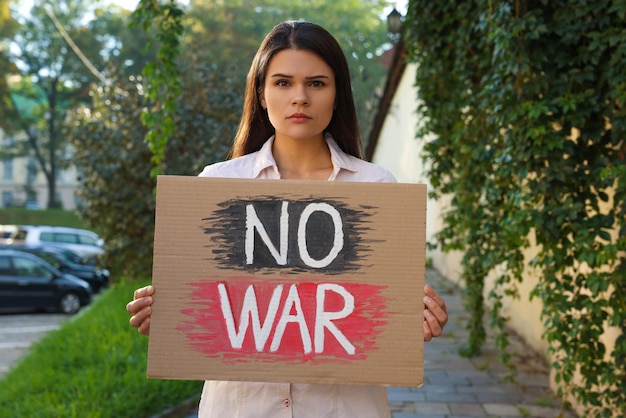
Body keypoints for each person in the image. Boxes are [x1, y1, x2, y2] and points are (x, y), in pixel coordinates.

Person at [127, 20, 448, 418]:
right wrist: (169, 313)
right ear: (261, 94)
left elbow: (378, 315)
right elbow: (209, 308)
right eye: (282, 83)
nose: (300, 97)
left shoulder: (376, 187)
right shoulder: (218, 184)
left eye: (316, 83)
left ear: (337, 94)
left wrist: (413, 319)